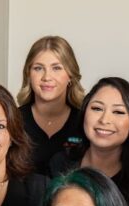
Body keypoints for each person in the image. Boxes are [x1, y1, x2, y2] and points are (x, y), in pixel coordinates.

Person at [49, 77, 129, 206]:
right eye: (97, 109)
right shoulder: (60, 163)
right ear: (84, 113)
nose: (105, 120)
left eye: (118, 112)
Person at [15, 36, 86, 174]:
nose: (47, 77)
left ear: (70, 75)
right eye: (38, 68)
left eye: (56, 68)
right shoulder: (13, 120)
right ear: (28, 75)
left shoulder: (85, 123)